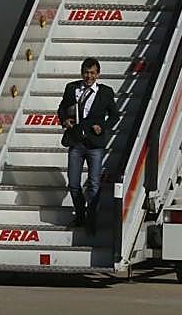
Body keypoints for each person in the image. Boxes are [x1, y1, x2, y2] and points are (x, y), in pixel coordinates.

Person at [57, 57, 118, 234]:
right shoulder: (72, 88)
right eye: (86, 72)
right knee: (74, 184)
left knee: (93, 184)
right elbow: (62, 108)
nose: (88, 76)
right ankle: (81, 214)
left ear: (98, 74)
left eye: (92, 73)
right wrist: (64, 120)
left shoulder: (106, 92)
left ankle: (90, 219)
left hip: (95, 145)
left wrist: (103, 127)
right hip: (76, 142)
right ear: (81, 72)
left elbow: (115, 115)